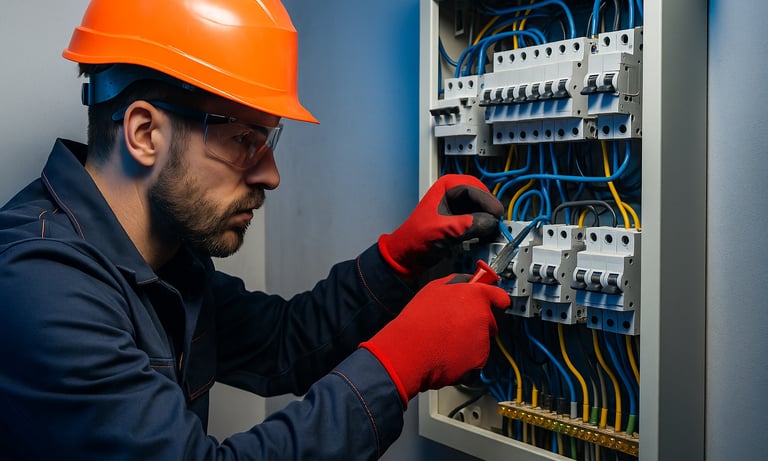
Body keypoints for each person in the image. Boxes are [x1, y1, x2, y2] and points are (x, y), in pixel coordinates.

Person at [0, 1, 510, 459]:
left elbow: (282, 345)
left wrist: (397, 260)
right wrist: (400, 364)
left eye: (267, 140)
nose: (271, 175)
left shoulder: (166, 256)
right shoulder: (41, 285)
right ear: (145, 133)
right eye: (243, 138)